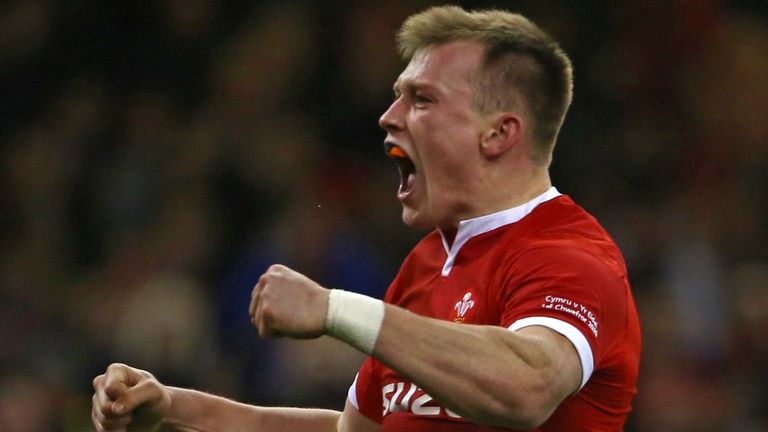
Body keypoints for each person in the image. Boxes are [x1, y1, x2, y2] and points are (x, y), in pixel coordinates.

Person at [91, 6, 641, 431]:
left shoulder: (569, 257)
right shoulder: (427, 266)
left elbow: (529, 385)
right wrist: (173, 410)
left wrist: (336, 308)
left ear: (499, 133)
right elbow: (355, 429)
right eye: (396, 96)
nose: (388, 116)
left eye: (420, 99)